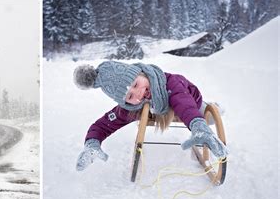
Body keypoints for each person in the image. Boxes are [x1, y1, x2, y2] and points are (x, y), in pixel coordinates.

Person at [73, 61, 228, 171]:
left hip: (189, 101)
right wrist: (92, 143)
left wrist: (198, 125)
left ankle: (211, 107)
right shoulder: (133, 107)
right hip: (155, 111)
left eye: (135, 85)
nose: (139, 94)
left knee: (210, 117)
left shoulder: (171, 83)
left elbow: (184, 103)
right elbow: (103, 124)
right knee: (142, 108)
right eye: (130, 96)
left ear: (141, 73)